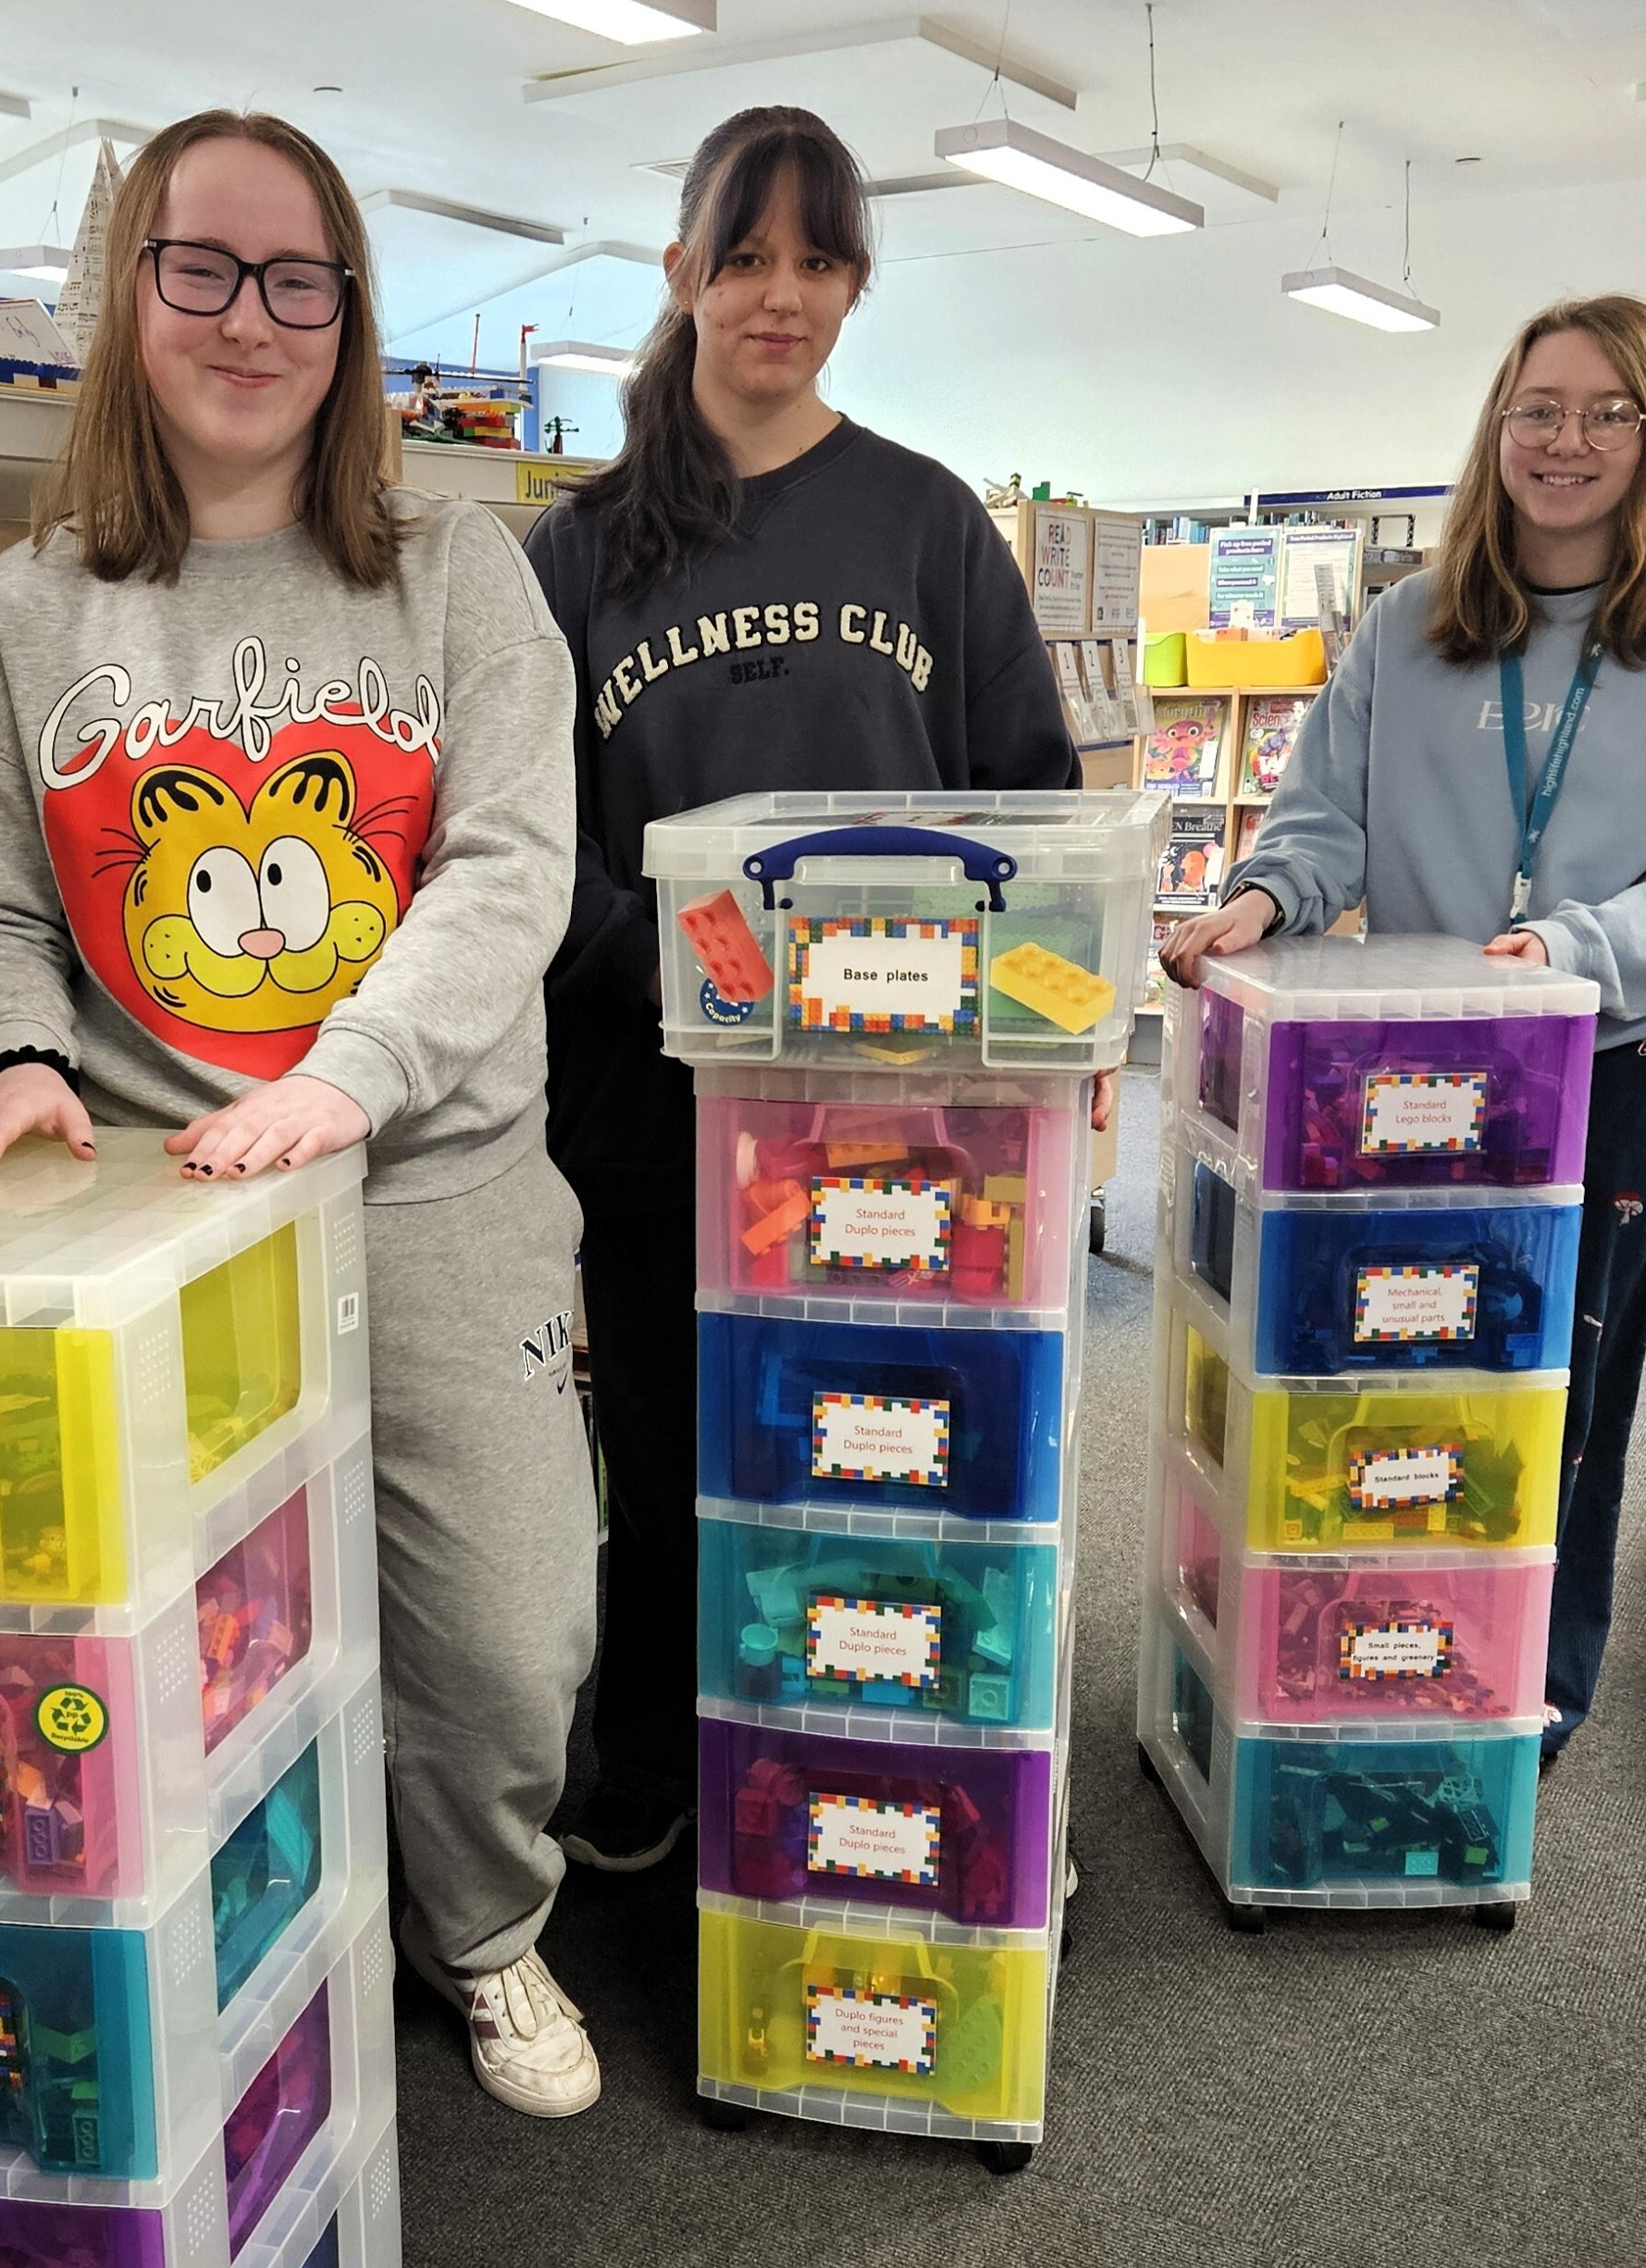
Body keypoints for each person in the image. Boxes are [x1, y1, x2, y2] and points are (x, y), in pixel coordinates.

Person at [0, 111, 603, 2117]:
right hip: (154, 1210)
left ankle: (479, 1928)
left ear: (348, 318)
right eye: (200, 266)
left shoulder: (458, 570)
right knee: (186, 1647)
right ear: (131, 293)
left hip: (434, 1184)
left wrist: (341, 1081)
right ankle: (246, 1944)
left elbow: (506, 868)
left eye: (300, 278)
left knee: (511, 1624)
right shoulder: (23, 610)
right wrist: (13, 1053)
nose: (249, 316)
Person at [530, 105, 1081, 1873]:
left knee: (881, 1426)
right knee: (678, 1443)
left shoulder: (926, 522)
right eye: (743, 255)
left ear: (856, 282)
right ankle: (658, 1738)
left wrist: (1056, 1049)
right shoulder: (580, 549)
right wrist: (710, 989)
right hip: (657, 1094)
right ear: (681, 272)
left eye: (817, 258)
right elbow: (532, 842)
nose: (779, 293)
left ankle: (900, 1725)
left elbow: (1035, 807)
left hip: (906, 1106)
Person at [1161, 293, 1646, 1764]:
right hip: (1410, 1076)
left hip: (1628, 1071)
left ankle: (1516, 1715)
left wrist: (1571, 954)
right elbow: (1325, 816)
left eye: (1606, 412)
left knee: (1553, 1402)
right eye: (1537, 409)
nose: (1565, 441)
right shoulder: (1413, 625)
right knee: (1384, 1369)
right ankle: (1361, 1657)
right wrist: (1265, 895)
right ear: (1496, 429)